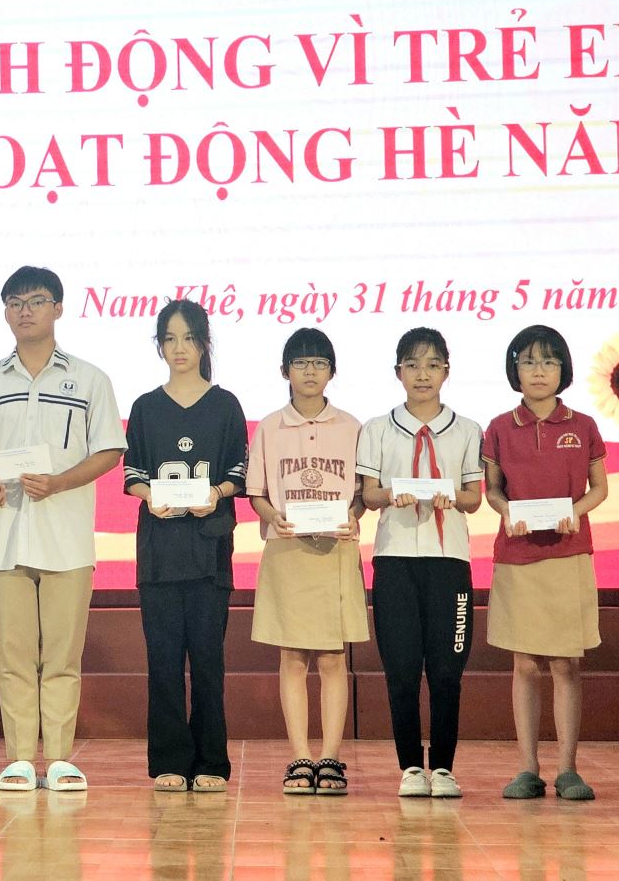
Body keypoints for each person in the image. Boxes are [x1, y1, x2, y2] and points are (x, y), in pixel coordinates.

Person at [0, 266, 125, 792]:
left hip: (67, 537)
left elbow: (109, 450)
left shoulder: (90, 378)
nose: (25, 311)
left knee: (61, 657)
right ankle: (17, 759)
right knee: (13, 657)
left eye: (35, 301)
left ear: (58, 307)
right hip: (6, 539)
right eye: (15, 302)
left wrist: (58, 483)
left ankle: (57, 758)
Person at [122, 299, 247, 793]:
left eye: (189, 338)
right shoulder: (145, 407)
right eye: (170, 339)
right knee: (164, 664)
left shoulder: (225, 405)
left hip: (209, 552)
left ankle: (212, 760)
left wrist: (215, 494)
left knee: (209, 663)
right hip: (159, 555)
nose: (180, 348)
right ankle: (170, 760)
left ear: (204, 343)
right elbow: (132, 472)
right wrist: (148, 496)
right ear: (159, 345)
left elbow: (239, 471)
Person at [356, 327, 484, 798]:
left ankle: (444, 768)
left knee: (447, 670)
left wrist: (452, 498)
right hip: (394, 559)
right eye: (412, 365)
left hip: (449, 560)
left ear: (446, 371)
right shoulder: (377, 428)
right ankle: (411, 766)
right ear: (398, 372)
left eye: (432, 365)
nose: (422, 374)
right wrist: (393, 493)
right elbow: (369, 495)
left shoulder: (467, 429)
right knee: (402, 670)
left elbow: (473, 498)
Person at [484, 325, 608, 801]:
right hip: (517, 557)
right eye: (529, 361)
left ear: (564, 369)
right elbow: (493, 490)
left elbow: (600, 488)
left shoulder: (583, 425)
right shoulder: (499, 426)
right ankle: (527, 768)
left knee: (566, 664)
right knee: (524, 664)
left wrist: (573, 512)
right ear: (514, 369)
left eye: (550, 362)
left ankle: (569, 769)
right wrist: (506, 512)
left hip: (568, 555)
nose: (539, 371)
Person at [245, 329, 367, 795]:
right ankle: (299, 757)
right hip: (288, 550)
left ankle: (331, 758)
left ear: (332, 371)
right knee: (292, 658)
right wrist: (273, 516)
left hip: (335, 551)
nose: (310, 371)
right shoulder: (269, 427)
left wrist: (353, 515)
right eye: (300, 363)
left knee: (334, 658)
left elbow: (361, 494)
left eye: (319, 363)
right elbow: (256, 492)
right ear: (285, 371)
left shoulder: (352, 427)